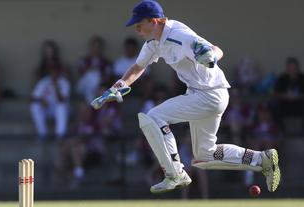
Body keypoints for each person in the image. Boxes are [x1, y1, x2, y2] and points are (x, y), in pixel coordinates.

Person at [93, 0, 280, 194]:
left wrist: (210, 56)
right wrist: (120, 86)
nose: (137, 29)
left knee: (153, 117)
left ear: (155, 21)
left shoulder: (179, 36)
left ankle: (175, 174)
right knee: (204, 156)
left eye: (140, 24)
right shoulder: (153, 42)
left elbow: (216, 49)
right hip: (201, 94)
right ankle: (262, 159)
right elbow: (138, 67)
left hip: (209, 94)